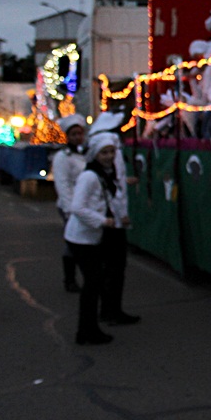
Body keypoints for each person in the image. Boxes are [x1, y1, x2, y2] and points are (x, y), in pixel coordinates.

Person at [65, 132, 132, 345]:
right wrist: (102, 220)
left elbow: (109, 198)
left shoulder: (105, 174)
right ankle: (86, 331)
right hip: (81, 238)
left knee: (96, 282)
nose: (109, 156)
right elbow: (77, 207)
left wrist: (120, 217)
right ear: (95, 154)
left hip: (92, 237)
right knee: (92, 283)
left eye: (112, 151)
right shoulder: (90, 176)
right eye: (104, 152)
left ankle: (90, 328)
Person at [51, 113, 87, 293]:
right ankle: (70, 279)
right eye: (73, 134)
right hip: (71, 206)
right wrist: (70, 209)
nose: (77, 137)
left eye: (80, 133)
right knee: (72, 242)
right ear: (67, 136)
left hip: (87, 206)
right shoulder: (63, 157)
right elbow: (62, 184)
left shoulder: (86, 153)